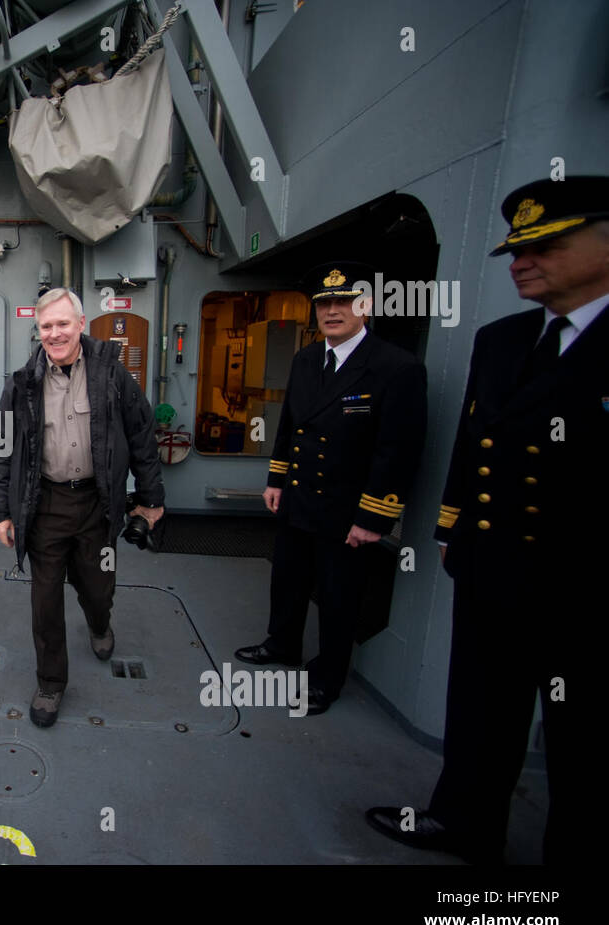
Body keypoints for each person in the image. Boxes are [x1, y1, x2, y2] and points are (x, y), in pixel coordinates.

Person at [367, 176, 608, 865]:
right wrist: (450, 528)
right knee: (480, 711)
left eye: (545, 245)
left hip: (588, 587)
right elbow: (474, 443)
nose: (520, 261)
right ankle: (464, 821)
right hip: (493, 566)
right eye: (514, 249)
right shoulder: (502, 340)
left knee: (585, 744)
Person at [234, 262, 427, 715]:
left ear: (367, 305)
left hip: (348, 508)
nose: (333, 311)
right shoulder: (306, 359)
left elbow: (397, 450)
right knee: (288, 578)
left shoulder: (395, 368)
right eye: (324, 303)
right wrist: (276, 479)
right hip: (299, 497)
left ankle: (327, 677)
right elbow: (290, 427)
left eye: (344, 302)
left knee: (339, 596)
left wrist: (374, 517)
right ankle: (281, 644)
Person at [0, 287, 164, 728]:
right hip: (45, 505)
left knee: (97, 587)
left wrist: (150, 500)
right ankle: (50, 683)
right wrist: (2, 512)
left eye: (63, 324)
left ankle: (99, 623)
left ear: (81, 324)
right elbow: (3, 448)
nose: (55, 333)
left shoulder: (111, 374)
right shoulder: (21, 383)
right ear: (39, 331)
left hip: (97, 504)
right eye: (46, 326)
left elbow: (142, 435)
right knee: (45, 601)